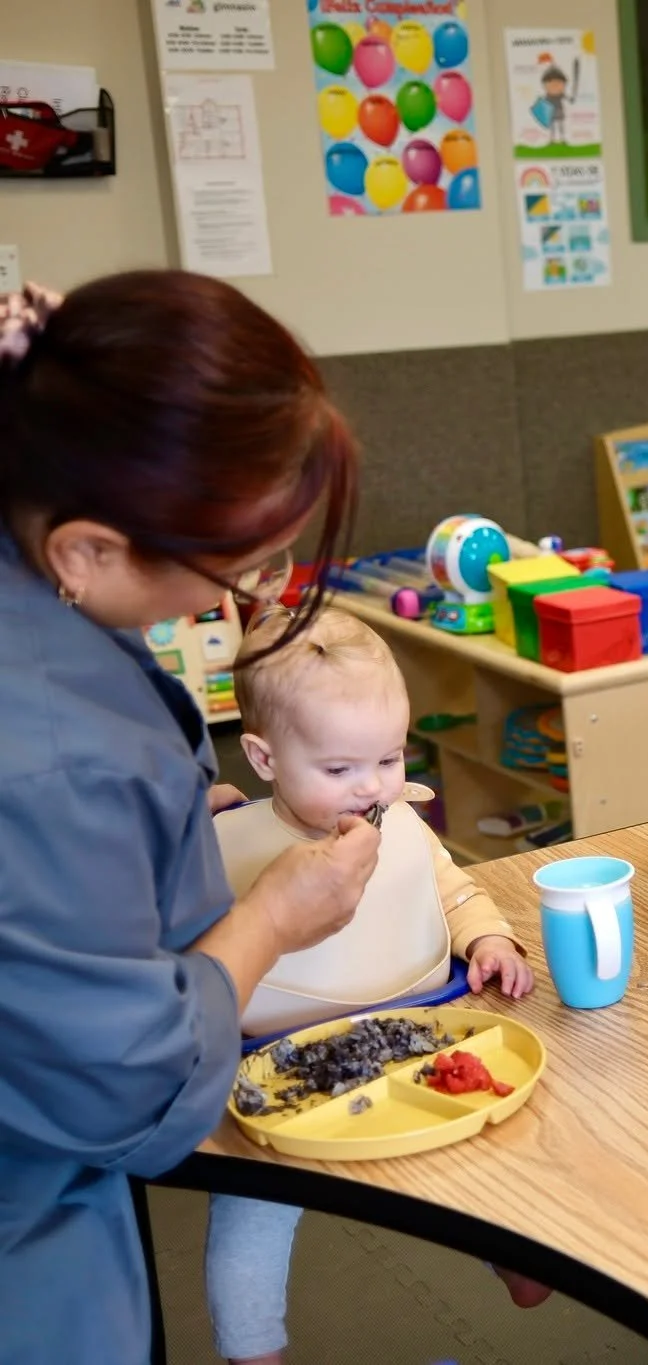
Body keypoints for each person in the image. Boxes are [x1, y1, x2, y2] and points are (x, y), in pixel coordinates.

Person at [0, 273, 376, 1364]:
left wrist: (154, 834)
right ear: (84, 552)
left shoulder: (36, 547)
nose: (247, 592)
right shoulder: (55, 760)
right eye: (231, 566)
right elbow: (133, 1077)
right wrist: (271, 918)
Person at [204, 608, 541, 1363]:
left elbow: (448, 889)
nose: (373, 788)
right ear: (262, 757)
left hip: (422, 1038)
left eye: (389, 759)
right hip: (281, 1069)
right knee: (249, 1214)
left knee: (490, 1154)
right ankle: (251, 1347)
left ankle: (521, 1254)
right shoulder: (226, 846)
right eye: (339, 769)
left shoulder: (406, 823)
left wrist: (488, 936)